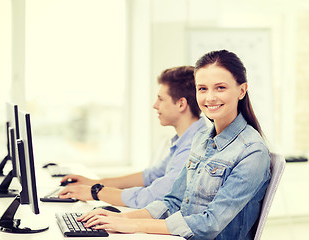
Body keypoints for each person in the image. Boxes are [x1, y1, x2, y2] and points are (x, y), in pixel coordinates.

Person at [76, 50, 271, 240]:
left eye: (220, 88)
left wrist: (131, 225)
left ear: (242, 90)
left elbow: (209, 224)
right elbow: (173, 201)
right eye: (202, 88)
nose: (210, 97)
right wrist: (120, 218)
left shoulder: (252, 151)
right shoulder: (201, 139)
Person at [58, 66, 207, 208]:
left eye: (161, 99)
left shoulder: (194, 146)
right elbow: (151, 175)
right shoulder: (185, 139)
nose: (155, 105)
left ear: (181, 104)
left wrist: (95, 192)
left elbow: (153, 196)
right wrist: (95, 182)